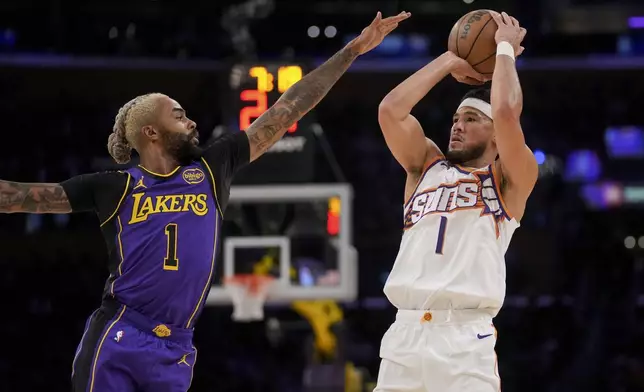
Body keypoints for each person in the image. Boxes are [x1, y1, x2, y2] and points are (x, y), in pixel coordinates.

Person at [0, 11, 410, 392]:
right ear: (150, 133)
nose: (192, 120)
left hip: (177, 344)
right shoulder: (113, 187)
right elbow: (18, 198)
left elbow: (287, 108)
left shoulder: (213, 166)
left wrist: (352, 50)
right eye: (178, 115)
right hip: (121, 333)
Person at [374, 11, 535, 392]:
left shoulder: (509, 180)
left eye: (471, 119)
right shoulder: (424, 167)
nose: (457, 125)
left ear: (496, 137)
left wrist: (504, 51)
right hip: (405, 335)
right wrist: (449, 60)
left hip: (465, 340)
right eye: (455, 118)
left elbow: (507, 112)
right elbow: (390, 111)